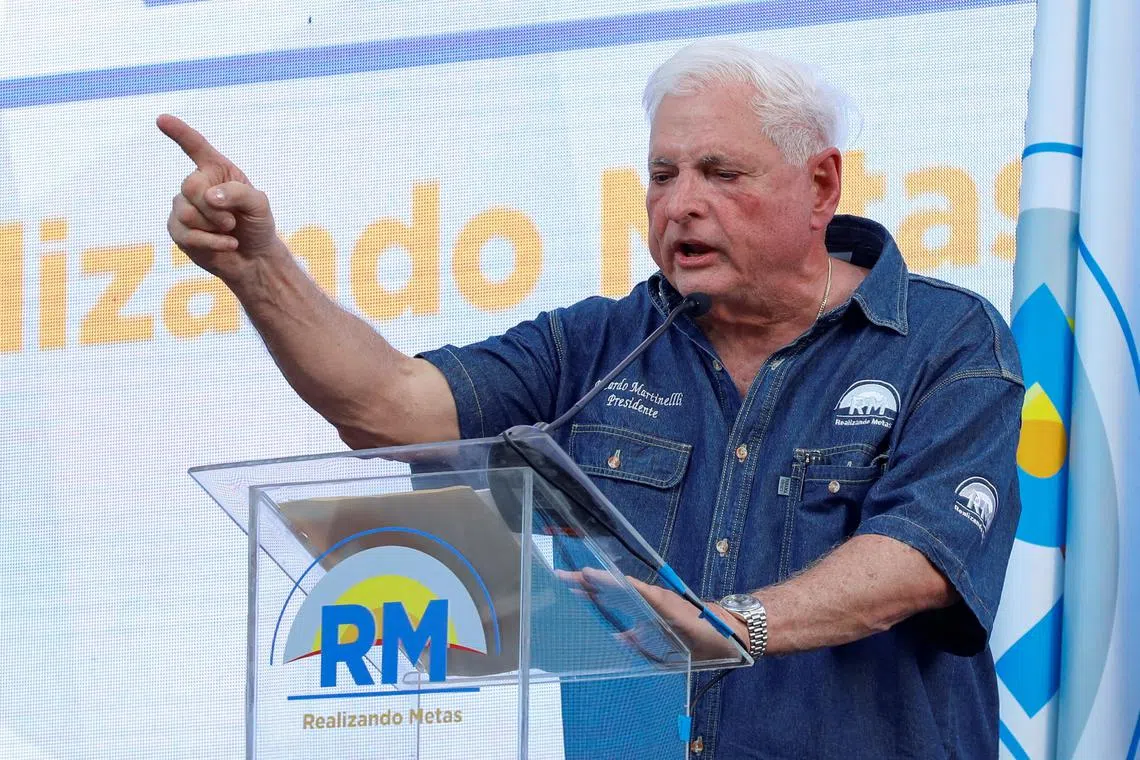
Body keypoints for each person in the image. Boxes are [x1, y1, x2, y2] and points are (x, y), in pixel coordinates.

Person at [161, 39, 1022, 759]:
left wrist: (731, 626)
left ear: (822, 186)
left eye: (721, 173)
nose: (681, 205)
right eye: (662, 174)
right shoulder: (598, 347)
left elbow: (919, 559)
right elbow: (388, 405)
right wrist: (256, 271)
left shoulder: (946, 340)